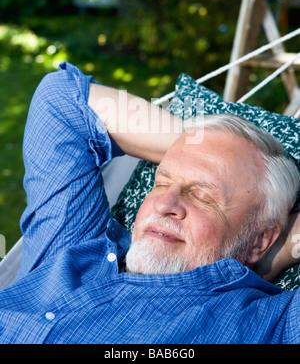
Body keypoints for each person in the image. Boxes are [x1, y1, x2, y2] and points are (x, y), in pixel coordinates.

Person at [0, 61, 299, 344]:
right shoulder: (73, 247)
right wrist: (198, 145)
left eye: (202, 195)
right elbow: (61, 101)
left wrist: (283, 248)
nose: (164, 203)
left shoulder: (267, 325)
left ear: (260, 240)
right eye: (161, 182)